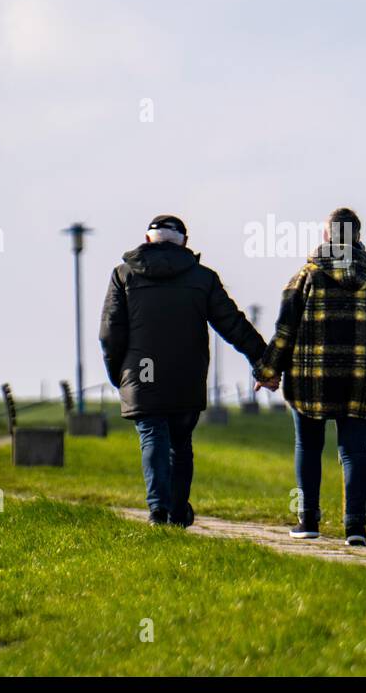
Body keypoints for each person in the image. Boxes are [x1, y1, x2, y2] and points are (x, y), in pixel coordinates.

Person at [99, 214, 266, 527]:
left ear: (147, 240)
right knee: (180, 444)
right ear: (185, 243)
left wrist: (118, 375)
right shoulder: (202, 278)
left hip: (141, 374)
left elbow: (110, 333)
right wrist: (263, 361)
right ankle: (177, 513)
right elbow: (232, 323)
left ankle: (157, 511)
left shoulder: (123, 276)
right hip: (186, 375)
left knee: (152, 438)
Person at [254, 208, 366, 547]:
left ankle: (308, 521)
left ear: (326, 236)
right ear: (358, 237)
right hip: (361, 378)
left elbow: (285, 330)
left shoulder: (307, 276)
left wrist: (268, 371)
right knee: (353, 451)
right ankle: (355, 528)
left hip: (310, 378)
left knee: (309, 446)